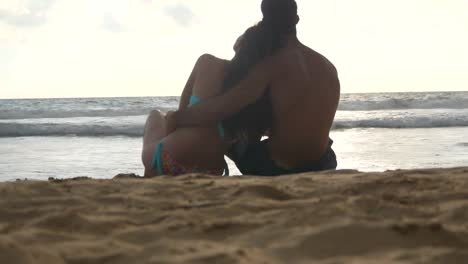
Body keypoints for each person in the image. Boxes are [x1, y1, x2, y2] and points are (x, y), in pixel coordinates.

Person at [166, 0, 341, 176]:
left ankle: (203, 164)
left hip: (277, 168)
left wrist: (177, 117)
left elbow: (221, 108)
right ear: (296, 19)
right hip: (323, 163)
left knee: (231, 138)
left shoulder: (273, 65)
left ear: (265, 18)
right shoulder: (328, 66)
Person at [141, 25, 272, 177]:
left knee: (155, 115)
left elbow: (180, 113)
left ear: (239, 43)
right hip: (212, 170)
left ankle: (150, 173)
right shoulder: (253, 89)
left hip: (170, 160)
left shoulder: (208, 62)